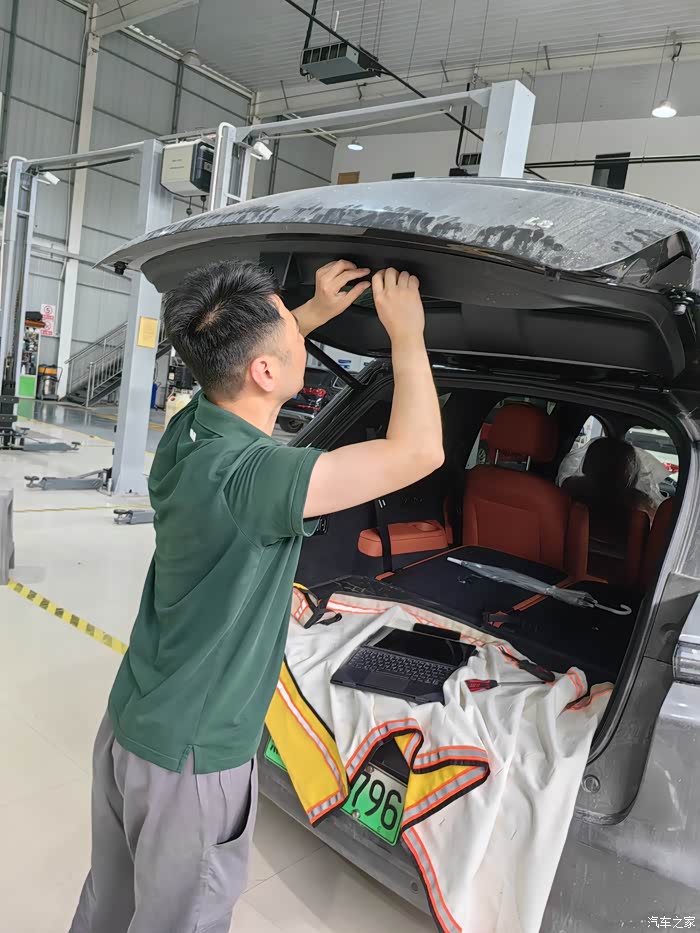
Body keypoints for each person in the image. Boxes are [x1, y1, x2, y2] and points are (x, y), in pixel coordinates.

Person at [69, 258, 444, 933]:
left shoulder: (190, 430)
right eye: (291, 331)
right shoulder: (258, 476)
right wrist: (408, 334)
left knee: (109, 907)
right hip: (193, 759)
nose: (300, 332)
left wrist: (314, 313)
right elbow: (419, 452)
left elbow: (240, 358)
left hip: (132, 724)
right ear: (265, 372)